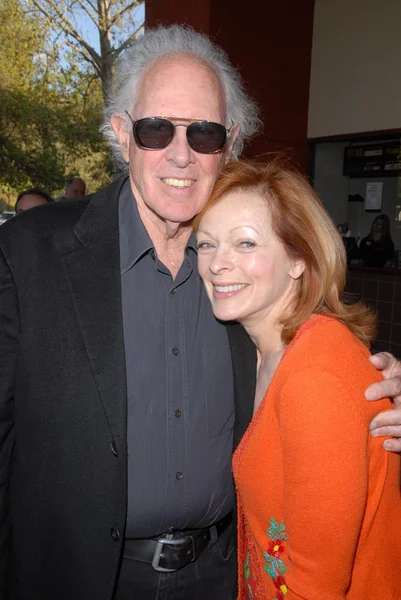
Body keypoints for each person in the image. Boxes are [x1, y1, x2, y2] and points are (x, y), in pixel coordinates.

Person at [0, 24, 401, 600]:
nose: (181, 154)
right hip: (80, 577)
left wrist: (377, 394)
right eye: (156, 129)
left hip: (226, 573)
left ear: (231, 143)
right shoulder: (30, 253)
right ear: (122, 135)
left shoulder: (243, 274)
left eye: (205, 133)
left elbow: (317, 364)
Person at [194, 158, 401, 599]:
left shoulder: (314, 374)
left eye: (245, 244)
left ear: (299, 259)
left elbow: (315, 587)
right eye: (206, 245)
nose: (217, 264)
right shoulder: (258, 349)